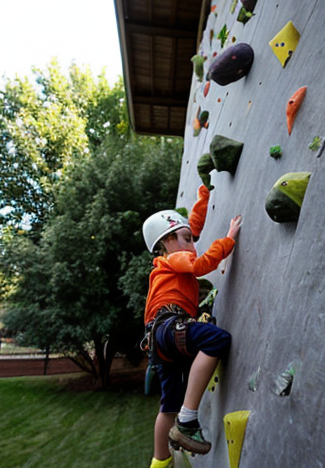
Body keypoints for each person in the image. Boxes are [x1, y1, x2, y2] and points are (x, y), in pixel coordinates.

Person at [142, 185, 242, 468]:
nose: (193, 245)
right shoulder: (176, 258)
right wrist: (228, 240)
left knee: (167, 406)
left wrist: (204, 197)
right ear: (169, 240)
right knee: (215, 340)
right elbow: (199, 265)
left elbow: (191, 228)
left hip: (158, 342)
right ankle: (188, 419)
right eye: (187, 240)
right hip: (170, 326)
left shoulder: (169, 257)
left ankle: (160, 463)